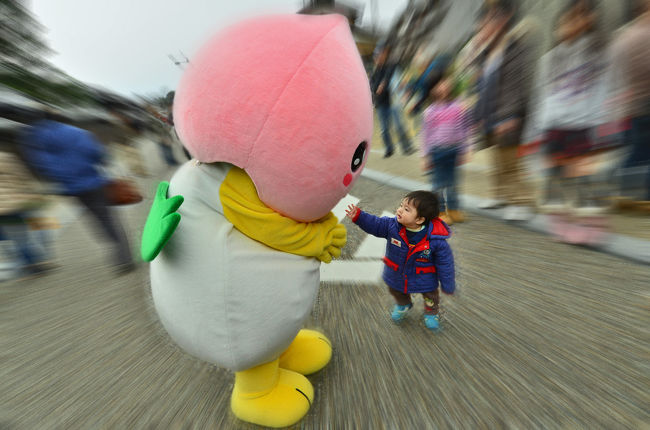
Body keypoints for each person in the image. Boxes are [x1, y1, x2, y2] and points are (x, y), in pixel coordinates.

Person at [20, 114, 134, 274]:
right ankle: (124, 257)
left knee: (97, 220)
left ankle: (118, 253)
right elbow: (98, 154)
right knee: (108, 218)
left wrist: (62, 178)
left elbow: (41, 166)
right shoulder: (76, 132)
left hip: (73, 188)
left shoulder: (34, 139)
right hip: (95, 181)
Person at [346, 191, 455, 331]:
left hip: (424, 276)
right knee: (397, 290)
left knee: (430, 296)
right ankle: (403, 304)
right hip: (397, 273)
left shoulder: (436, 241)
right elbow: (376, 224)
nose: (399, 210)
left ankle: (431, 312)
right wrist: (359, 216)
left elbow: (445, 264)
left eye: (406, 209)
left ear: (420, 220)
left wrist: (448, 284)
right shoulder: (392, 226)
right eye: (401, 205)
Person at [472, 0, 536, 220]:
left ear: (504, 19)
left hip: (508, 115)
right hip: (491, 116)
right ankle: (500, 195)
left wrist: (509, 115)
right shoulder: (486, 52)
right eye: (483, 20)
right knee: (497, 161)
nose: (483, 25)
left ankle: (522, 202)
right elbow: (482, 87)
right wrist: (478, 116)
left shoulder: (514, 47)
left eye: (489, 19)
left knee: (511, 162)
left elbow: (514, 84)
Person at [610, 0, 650, 212]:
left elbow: (615, 72)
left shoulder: (624, 35)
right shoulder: (645, 34)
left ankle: (626, 194)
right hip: (646, 103)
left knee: (637, 151)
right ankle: (625, 194)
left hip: (631, 104)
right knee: (640, 152)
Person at [421, 76, 471, 226]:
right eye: (438, 84)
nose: (443, 86)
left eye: (445, 82)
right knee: (437, 185)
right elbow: (426, 135)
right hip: (436, 151)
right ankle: (440, 212)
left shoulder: (457, 108)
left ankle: (454, 209)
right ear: (432, 89)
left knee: (453, 182)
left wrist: (465, 149)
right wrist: (425, 156)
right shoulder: (429, 111)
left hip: (453, 150)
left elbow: (463, 130)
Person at [370, 45, 415, 158]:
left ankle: (407, 147)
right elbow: (372, 87)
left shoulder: (390, 67)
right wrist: (377, 88)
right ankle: (389, 149)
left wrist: (383, 85)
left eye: (381, 54)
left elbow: (388, 77)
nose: (379, 57)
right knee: (384, 129)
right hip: (381, 104)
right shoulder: (374, 72)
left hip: (392, 102)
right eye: (377, 55)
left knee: (399, 126)